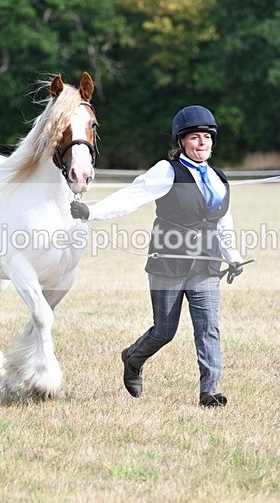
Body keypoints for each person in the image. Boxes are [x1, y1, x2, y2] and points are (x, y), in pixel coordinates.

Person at [70, 105, 243, 407]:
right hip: (169, 263)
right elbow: (132, 196)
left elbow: (222, 221)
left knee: (208, 328)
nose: (202, 142)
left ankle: (210, 391)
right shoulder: (167, 171)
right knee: (164, 331)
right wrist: (92, 212)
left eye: (206, 137)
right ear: (181, 141)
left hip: (206, 264)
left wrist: (234, 256)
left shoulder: (218, 177)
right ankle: (133, 358)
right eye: (194, 137)